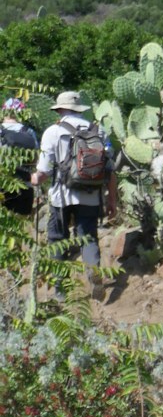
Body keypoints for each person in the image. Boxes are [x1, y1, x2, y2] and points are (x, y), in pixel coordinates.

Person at [31, 91, 118, 284]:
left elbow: (43, 171)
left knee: (57, 239)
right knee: (88, 237)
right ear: (80, 109)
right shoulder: (99, 130)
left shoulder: (52, 132)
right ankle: (93, 272)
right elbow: (111, 169)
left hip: (61, 196)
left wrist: (34, 179)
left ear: (60, 109)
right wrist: (112, 200)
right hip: (91, 194)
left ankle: (61, 289)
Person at [1, 97, 37, 218]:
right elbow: (35, 159)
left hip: (3, 186)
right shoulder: (29, 132)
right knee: (21, 227)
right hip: (24, 185)